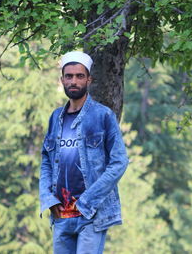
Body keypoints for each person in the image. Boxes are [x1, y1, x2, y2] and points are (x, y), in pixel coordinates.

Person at [39, 51, 129, 254]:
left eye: (79, 76)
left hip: (91, 215)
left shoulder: (103, 115)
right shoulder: (55, 118)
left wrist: (88, 201)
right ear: (62, 79)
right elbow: (46, 159)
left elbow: (120, 162)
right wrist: (48, 199)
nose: (74, 81)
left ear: (89, 79)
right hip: (61, 215)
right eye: (69, 76)